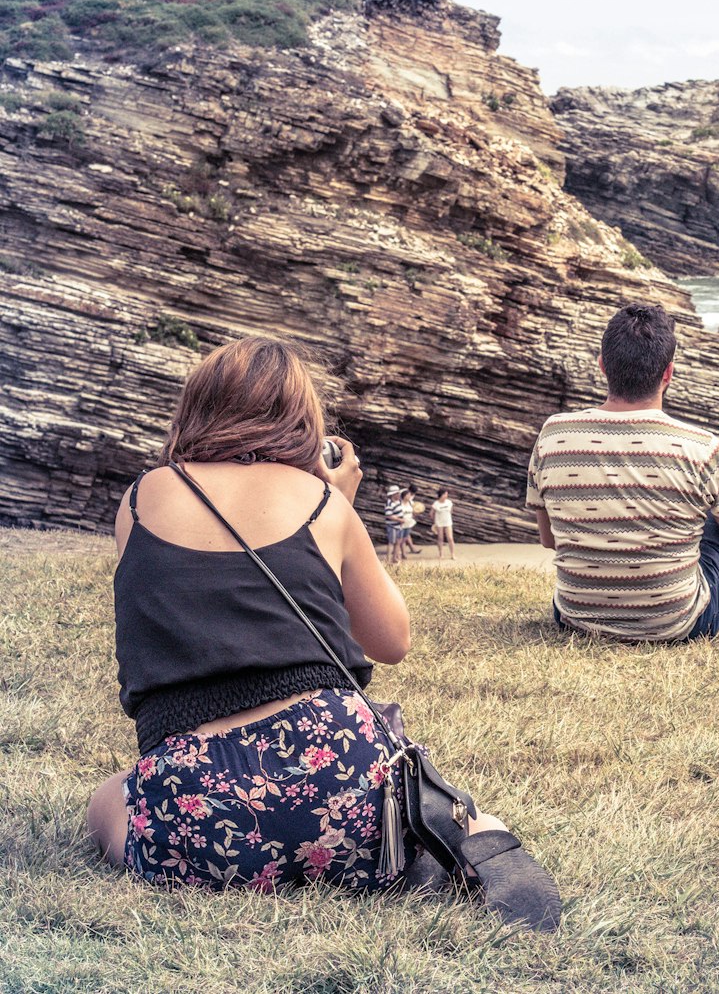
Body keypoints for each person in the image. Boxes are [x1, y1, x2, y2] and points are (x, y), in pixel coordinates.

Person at [86, 337, 558, 927]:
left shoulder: (140, 498)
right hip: (337, 770)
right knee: (426, 808)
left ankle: (228, 853)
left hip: (197, 799)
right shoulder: (321, 502)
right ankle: (465, 835)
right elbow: (392, 641)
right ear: (301, 419)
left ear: (196, 409)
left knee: (106, 801)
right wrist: (340, 505)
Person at [527, 303, 719, 642]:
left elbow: (549, 539)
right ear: (668, 373)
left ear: (602, 366)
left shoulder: (553, 435)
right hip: (679, 624)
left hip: (575, 616)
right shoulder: (704, 449)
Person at [382, 484, 405, 566]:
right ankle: (388, 560)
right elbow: (389, 515)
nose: (399, 495)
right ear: (393, 494)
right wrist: (400, 520)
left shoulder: (398, 502)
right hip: (392, 526)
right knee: (391, 542)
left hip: (399, 526)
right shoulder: (389, 503)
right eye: (397, 493)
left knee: (398, 542)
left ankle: (394, 558)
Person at [431, 488, 456, 560]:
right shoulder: (436, 503)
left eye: (447, 494)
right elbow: (431, 513)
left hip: (448, 522)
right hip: (439, 523)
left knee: (450, 538)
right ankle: (441, 554)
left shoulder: (449, 502)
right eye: (445, 494)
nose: (446, 496)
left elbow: (451, 512)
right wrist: (434, 522)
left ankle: (452, 554)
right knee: (440, 538)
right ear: (441, 495)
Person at [399, 488, 422, 555]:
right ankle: (403, 552)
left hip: (408, 522)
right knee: (401, 538)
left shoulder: (410, 502)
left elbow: (414, 510)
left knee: (405, 537)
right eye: (408, 495)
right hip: (401, 523)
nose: (410, 496)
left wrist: (415, 513)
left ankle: (406, 552)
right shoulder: (400, 503)